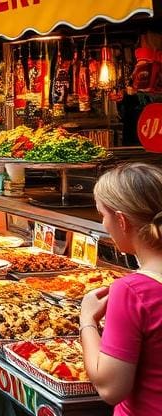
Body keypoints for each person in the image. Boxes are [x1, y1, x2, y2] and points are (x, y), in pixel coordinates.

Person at [79, 162, 162, 413]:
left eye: (102, 215)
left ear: (122, 220)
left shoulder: (131, 291)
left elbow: (109, 388)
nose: (103, 224)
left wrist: (87, 320)